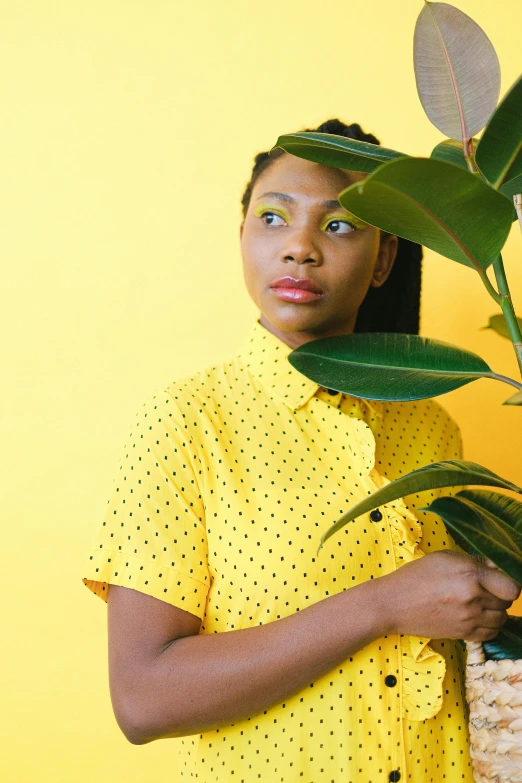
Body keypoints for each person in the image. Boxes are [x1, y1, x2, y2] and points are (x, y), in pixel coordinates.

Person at [82, 119, 520, 783]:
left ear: (383, 258)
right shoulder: (186, 423)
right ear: (242, 239)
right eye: (273, 218)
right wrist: (384, 603)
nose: (299, 248)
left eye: (338, 225)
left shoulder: (432, 426)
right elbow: (143, 698)